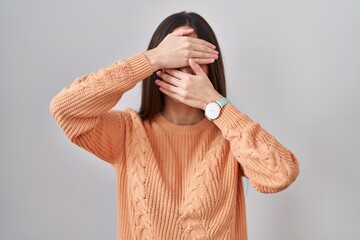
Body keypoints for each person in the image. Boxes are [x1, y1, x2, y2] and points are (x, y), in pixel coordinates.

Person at [50, 11, 299, 240]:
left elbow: (280, 174)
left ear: (213, 64)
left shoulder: (231, 135)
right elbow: (66, 108)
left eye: (195, 55)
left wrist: (216, 104)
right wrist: (151, 58)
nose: (184, 65)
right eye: (176, 54)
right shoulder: (127, 131)